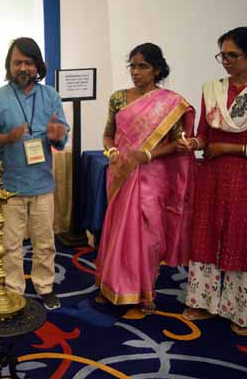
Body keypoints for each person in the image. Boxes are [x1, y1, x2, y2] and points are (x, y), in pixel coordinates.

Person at [95, 43, 197, 314]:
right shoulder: (118, 98)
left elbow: (178, 144)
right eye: (133, 66)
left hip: (153, 177)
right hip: (121, 172)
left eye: (143, 66)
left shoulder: (170, 103)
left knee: (148, 236)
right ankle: (111, 285)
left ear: (157, 70)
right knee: (118, 231)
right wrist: (113, 151)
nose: (136, 72)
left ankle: (145, 292)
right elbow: (107, 135)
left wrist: (148, 155)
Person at [0, 37, 69, 310]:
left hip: (42, 185)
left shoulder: (50, 96)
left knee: (45, 243)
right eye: (17, 62)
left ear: (37, 66)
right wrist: (7, 138)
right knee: (11, 245)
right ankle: (14, 290)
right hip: (11, 186)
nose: (23, 68)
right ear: (9, 65)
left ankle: (45, 286)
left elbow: (62, 134)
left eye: (28, 62)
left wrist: (57, 136)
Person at [182, 27, 247, 335]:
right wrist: (192, 143)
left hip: (242, 174)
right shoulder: (213, 90)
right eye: (223, 55)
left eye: (233, 55)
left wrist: (229, 148)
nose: (226, 61)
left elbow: (220, 143)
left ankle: (239, 309)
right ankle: (203, 301)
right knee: (206, 231)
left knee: (240, 236)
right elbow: (204, 135)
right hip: (211, 174)